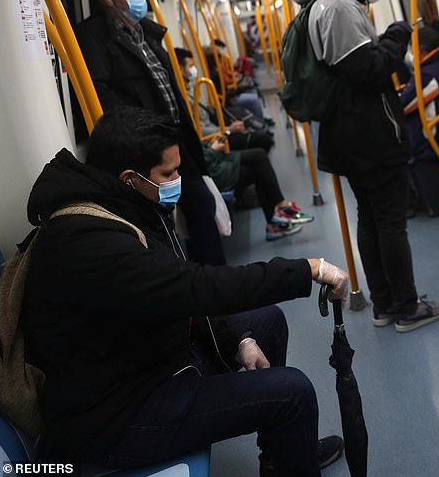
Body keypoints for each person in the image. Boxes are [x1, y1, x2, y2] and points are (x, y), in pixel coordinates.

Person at [21, 107, 350, 475]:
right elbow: (194, 287)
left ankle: (284, 453)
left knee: (268, 323)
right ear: (130, 177)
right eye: (170, 172)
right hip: (116, 416)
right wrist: (307, 270)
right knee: (293, 392)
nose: (179, 178)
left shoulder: (128, 205)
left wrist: (239, 337)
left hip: (147, 360)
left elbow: (181, 281)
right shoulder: (90, 242)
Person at [290, 0, 439, 333]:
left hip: (348, 135)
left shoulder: (323, 3)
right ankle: (407, 307)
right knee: (391, 222)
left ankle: (384, 304)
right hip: (370, 136)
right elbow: (368, 70)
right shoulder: (339, 6)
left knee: (372, 219)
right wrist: (397, 36)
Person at [75, 0, 228, 266]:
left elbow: (171, 91)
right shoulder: (92, 37)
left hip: (174, 140)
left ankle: (215, 283)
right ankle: (196, 294)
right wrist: (146, 132)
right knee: (161, 222)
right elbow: (102, 95)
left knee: (201, 203)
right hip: (145, 149)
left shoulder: (148, 33)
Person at [204, 133, 314, 241]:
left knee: (260, 158)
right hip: (213, 172)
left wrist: (209, 144)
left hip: (214, 162)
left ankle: (277, 218)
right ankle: (280, 213)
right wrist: (213, 149)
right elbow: (199, 159)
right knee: (259, 163)